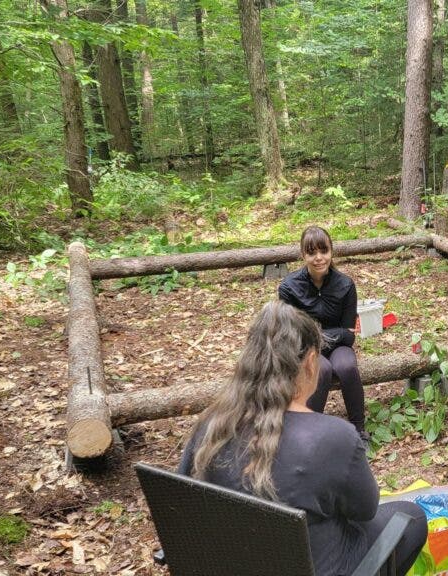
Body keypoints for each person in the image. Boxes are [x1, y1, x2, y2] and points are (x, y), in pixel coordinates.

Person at [178, 301, 428, 576]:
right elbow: (365, 510)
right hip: (310, 564)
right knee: (411, 517)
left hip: (234, 561)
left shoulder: (209, 426)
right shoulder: (332, 437)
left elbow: (186, 506)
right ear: (311, 363)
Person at [278, 225, 367, 439]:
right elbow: (292, 334)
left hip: (338, 347)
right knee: (323, 370)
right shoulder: (289, 287)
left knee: (346, 366)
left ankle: (359, 430)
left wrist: (321, 335)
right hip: (305, 348)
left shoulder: (345, 285)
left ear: (331, 251)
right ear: (303, 255)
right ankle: (309, 431)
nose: (319, 258)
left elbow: (349, 335)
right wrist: (331, 335)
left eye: (323, 251)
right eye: (312, 252)